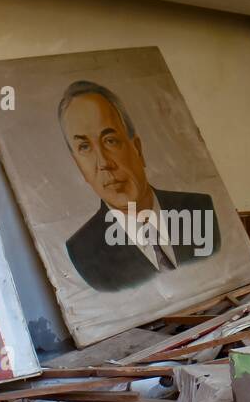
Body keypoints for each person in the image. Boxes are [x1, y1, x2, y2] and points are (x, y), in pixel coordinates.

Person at [58, 81, 219, 292]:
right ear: (79, 167)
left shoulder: (199, 208)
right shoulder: (84, 251)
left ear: (138, 149)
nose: (103, 162)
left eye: (110, 141)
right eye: (84, 147)